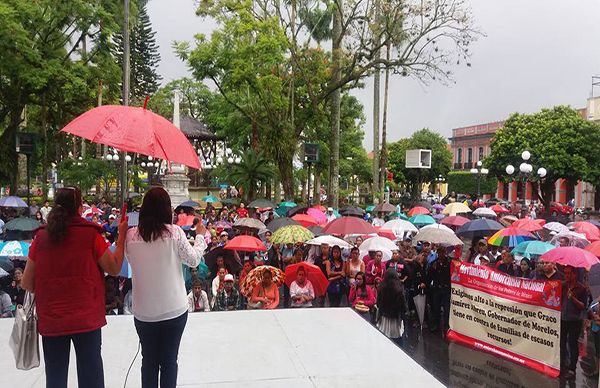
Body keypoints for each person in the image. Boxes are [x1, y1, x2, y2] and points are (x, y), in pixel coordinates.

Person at [21, 186, 127, 388]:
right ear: (79, 207)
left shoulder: (41, 238)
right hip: (86, 319)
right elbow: (114, 268)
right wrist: (121, 237)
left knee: (55, 379)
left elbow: (26, 282)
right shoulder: (91, 235)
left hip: (52, 319)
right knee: (91, 378)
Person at [124, 187, 207, 388]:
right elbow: (194, 260)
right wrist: (200, 236)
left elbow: (130, 258)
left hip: (144, 313)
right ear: (166, 209)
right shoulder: (175, 233)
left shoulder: (130, 236)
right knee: (169, 361)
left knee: (149, 361)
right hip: (174, 311)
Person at [560, 265, 588, 379]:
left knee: (572, 344)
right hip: (563, 318)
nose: (566, 276)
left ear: (574, 274)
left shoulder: (581, 288)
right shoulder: (563, 285)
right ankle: (563, 365)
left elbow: (583, 306)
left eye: (569, 273)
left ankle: (572, 369)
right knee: (562, 343)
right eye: (565, 273)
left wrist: (573, 298)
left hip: (575, 321)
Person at [376, 269, 406, 345]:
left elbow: (378, 303)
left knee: (383, 340)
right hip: (395, 319)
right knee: (398, 342)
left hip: (384, 318)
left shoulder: (381, 288)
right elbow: (403, 306)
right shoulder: (399, 289)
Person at [428, 247, 451, 333]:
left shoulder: (449, 262)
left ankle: (446, 326)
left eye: (442, 252)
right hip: (437, 288)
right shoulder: (434, 263)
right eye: (439, 252)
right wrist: (432, 268)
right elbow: (430, 276)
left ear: (445, 252)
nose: (441, 254)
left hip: (446, 288)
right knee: (436, 308)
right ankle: (436, 325)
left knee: (446, 309)